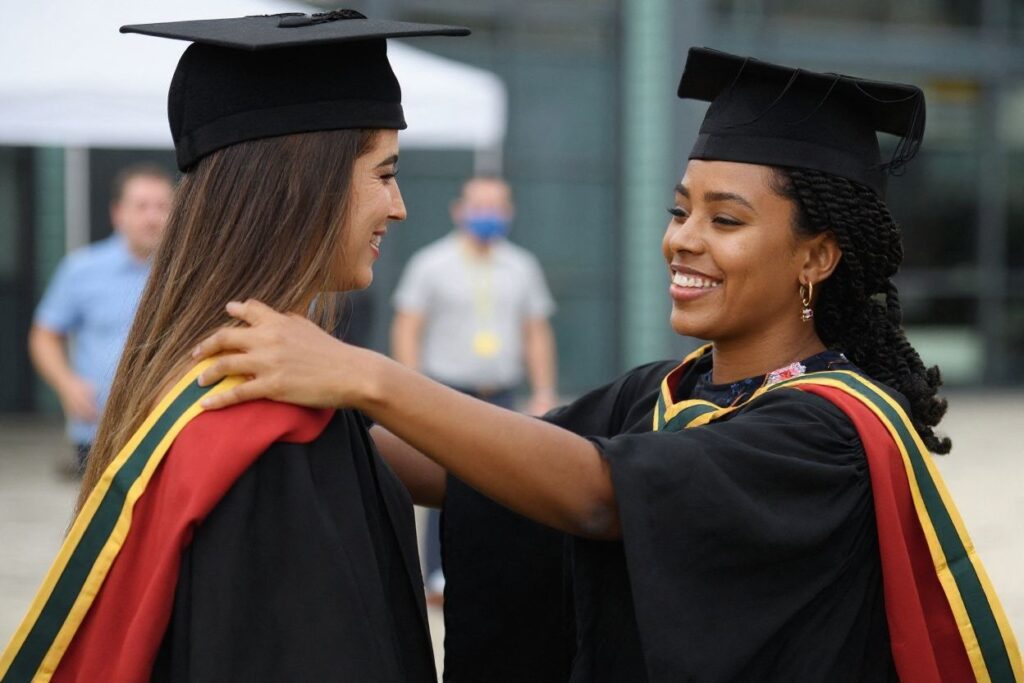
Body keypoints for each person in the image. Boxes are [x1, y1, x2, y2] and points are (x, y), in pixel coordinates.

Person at [186, 47, 1023, 682]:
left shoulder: (829, 433)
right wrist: (287, 410)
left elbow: (594, 494)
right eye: (679, 210)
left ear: (818, 256)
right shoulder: (664, 392)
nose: (683, 239)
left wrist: (363, 376)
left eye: (726, 220)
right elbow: (476, 464)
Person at [0, 12, 468, 683]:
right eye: (383, 173)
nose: (398, 207)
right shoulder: (264, 435)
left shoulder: (204, 389)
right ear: (301, 185)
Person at [391, 174, 559, 600]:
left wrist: (543, 390)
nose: (488, 214)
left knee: (502, 483)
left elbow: (536, 332)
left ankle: (495, 572)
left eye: (496, 206)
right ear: (459, 210)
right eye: (479, 205)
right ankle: (438, 575)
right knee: (444, 483)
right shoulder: (431, 264)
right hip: (447, 391)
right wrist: (411, 387)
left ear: (509, 212)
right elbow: (408, 326)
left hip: (500, 394)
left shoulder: (522, 266)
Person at [29, 163, 173, 474]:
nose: (152, 217)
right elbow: (44, 335)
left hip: (169, 429)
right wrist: (66, 384)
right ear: (118, 213)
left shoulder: (190, 272)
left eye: (162, 206)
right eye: (142, 206)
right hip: (97, 431)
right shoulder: (82, 269)